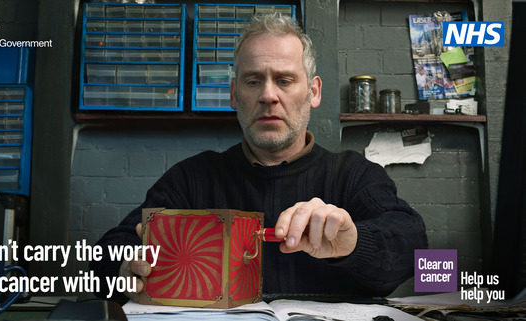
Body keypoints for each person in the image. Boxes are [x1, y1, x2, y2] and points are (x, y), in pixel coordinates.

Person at [90, 13, 428, 302]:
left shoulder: (354, 176)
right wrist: (125, 267)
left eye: (284, 80)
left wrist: (354, 243)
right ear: (235, 94)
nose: (268, 95)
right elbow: (111, 249)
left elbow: (412, 245)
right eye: (254, 81)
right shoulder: (191, 180)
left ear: (313, 92)